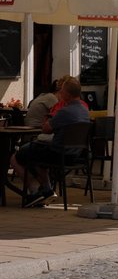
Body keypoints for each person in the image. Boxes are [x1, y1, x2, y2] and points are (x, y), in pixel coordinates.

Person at [11, 77, 89, 205]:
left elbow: (46, 129)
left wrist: (48, 118)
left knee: (16, 157)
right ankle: (47, 190)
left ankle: (34, 191)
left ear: (67, 95)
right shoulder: (84, 110)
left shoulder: (65, 111)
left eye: (62, 91)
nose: (60, 94)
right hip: (76, 155)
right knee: (37, 153)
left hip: (58, 154)